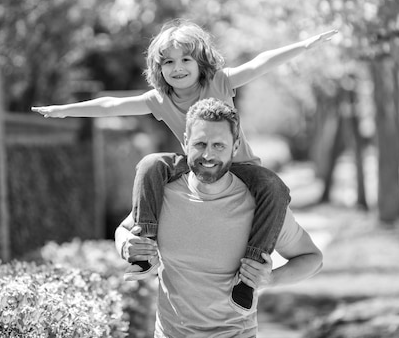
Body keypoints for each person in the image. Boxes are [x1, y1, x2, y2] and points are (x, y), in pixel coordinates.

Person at [32, 19, 336, 311]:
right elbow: (111, 104)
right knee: (152, 164)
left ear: (200, 62)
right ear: (158, 68)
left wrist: (305, 45)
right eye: (168, 62)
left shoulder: (220, 81)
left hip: (241, 166)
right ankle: (145, 248)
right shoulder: (160, 99)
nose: (177, 68)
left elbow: (260, 63)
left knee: (273, 185)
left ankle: (249, 275)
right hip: (194, 167)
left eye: (186, 60)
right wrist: (64, 110)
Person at [115, 98, 323, 337]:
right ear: (185, 143)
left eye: (219, 146)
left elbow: (312, 258)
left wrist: (270, 280)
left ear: (235, 148)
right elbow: (123, 229)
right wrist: (125, 245)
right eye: (200, 143)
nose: (208, 155)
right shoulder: (163, 194)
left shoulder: (262, 207)